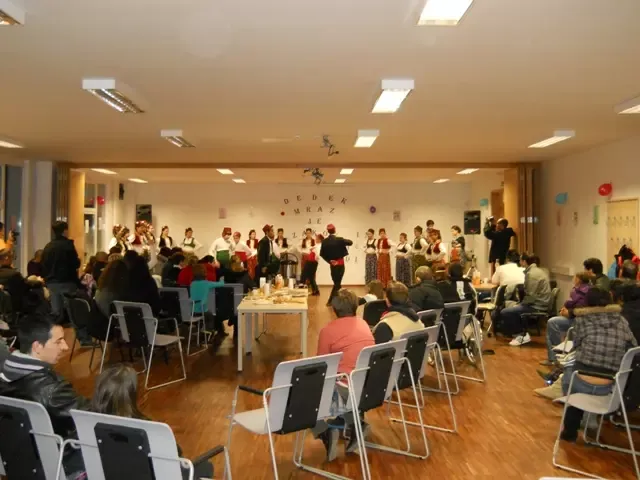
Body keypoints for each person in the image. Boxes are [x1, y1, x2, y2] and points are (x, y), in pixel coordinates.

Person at [90, 365, 215, 480]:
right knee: (206, 467)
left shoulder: (87, 424)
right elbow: (175, 453)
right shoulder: (148, 429)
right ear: (131, 395)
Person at [0, 314, 87, 477]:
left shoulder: (4, 376)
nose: (65, 347)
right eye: (58, 341)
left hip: (13, 458)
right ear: (37, 346)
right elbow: (90, 417)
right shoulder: (51, 390)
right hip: (57, 461)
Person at [559, 288, 637, 442]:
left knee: (569, 372)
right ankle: (591, 418)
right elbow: (633, 346)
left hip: (581, 381)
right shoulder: (622, 320)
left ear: (587, 302)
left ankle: (570, 431)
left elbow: (577, 345)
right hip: (610, 384)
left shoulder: (582, 320)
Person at [311, 289, 375, 461]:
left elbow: (322, 367)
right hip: (367, 385)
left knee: (300, 396)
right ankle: (356, 425)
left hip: (345, 388)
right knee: (340, 391)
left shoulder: (328, 331)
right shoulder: (363, 324)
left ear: (334, 309)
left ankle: (324, 432)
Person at [498, 253, 551, 346]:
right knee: (511, 307)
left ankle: (521, 335)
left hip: (537, 306)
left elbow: (531, 296)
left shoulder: (531, 274)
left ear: (524, 262)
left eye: (520, 260)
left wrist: (520, 304)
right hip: (539, 303)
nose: (519, 262)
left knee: (505, 312)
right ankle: (520, 333)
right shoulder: (537, 271)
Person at [541, 272, 591, 366]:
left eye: (574, 277)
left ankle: (554, 356)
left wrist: (568, 312)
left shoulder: (582, 292)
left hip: (578, 320)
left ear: (578, 280)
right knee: (553, 322)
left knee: (552, 322)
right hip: (574, 317)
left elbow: (580, 308)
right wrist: (564, 310)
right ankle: (556, 355)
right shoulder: (579, 290)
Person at [41, 220, 81, 320]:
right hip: (67, 281)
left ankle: (55, 328)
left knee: (56, 312)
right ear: (65, 231)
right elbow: (75, 263)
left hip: (52, 282)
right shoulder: (68, 245)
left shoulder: (48, 246)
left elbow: (44, 264)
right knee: (71, 311)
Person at [320, 224, 353, 307]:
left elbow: (322, 254)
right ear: (335, 230)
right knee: (337, 283)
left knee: (337, 282)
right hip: (340, 264)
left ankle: (339, 300)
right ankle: (331, 301)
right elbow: (350, 242)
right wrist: (343, 240)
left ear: (328, 231)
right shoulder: (340, 239)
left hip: (332, 265)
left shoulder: (325, 241)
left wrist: (330, 261)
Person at [190, 264, 225, 334]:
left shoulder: (192, 284)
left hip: (192, 311)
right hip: (203, 310)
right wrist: (222, 278)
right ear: (204, 273)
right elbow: (221, 284)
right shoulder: (207, 283)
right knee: (211, 316)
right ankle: (208, 332)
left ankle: (202, 330)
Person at [0, 247, 29, 314]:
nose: (12, 260)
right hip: (13, 308)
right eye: (12, 258)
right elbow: (25, 287)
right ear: (6, 258)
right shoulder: (14, 274)